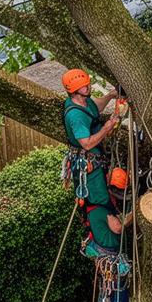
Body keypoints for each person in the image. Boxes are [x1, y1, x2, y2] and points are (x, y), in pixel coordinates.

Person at [86, 167, 135, 302]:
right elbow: (119, 227)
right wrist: (134, 213)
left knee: (113, 300)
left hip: (108, 259)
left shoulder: (94, 206)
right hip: (111, 260)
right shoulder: (101, 209)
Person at [61, 67, 125, 208]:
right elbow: (87, 144)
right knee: (98, 197)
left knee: (107, 186)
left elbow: (97, 107)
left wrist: (111, 95)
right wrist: (106, 128)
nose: (88, 86)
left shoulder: (83, 100)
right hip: (88, 162)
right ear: (75, 91)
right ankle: (103, 222)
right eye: (85, 86)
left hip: (97, 156)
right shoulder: (76, 117)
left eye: (88, 84)